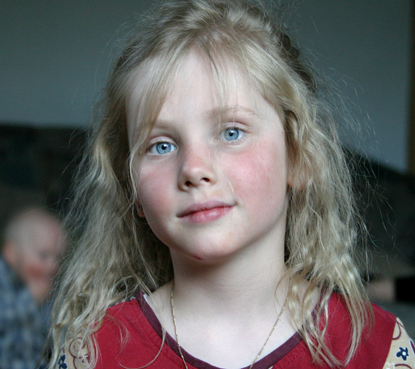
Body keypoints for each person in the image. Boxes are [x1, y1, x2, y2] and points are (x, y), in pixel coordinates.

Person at [47, 1, 412, 368]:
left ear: (299, 157)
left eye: (231, 132)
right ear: (133, 188)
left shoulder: (377, 348)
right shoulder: (94, 353)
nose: (193, 168)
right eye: (161, 145)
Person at [0, 207, 66, 369]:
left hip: (24, 362)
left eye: (57, 258)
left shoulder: (45, 285)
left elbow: (49, 327)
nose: (52, 266)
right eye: (44, 256)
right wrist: (30, 299)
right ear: (12, 254)